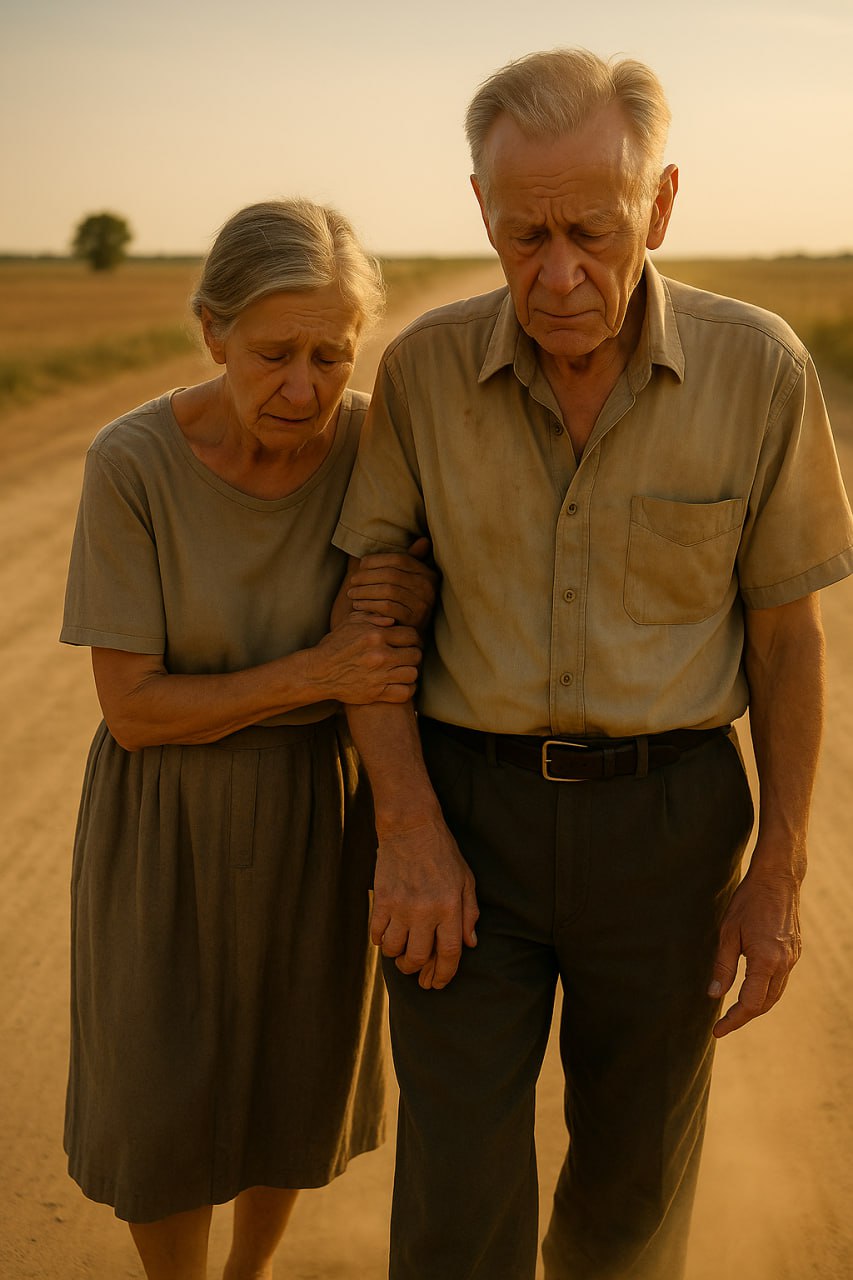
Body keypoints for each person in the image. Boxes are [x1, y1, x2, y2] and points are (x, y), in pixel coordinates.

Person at [331, 48, 853, 1280]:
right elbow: (373, 616)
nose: (557, 273)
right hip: (467, 822)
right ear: (480, 209)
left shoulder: (760, 371)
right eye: (525, 235)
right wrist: (405, 824)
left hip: (669, 830)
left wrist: (774, 871)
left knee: (628, 1197)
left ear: (660, 204)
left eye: (594, 232)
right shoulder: (420, 372)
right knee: (456, 1203)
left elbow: (786, 637)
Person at [60, 198, 436, 1280]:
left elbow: (416, 604)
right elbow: (133, 707)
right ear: (211, 331)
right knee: (157, 1093)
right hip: (161, 817)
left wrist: (410, 591)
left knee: (294, 1080)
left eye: (332, 353)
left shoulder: (375, 440)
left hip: (321, 813)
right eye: (273, 353)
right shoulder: (129, 463)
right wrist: (320, 669)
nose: (304, 388)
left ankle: (248, 1274)